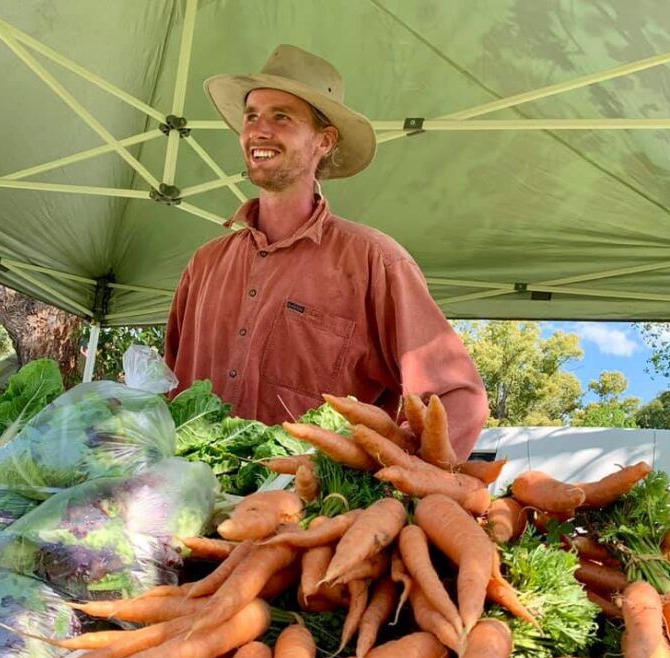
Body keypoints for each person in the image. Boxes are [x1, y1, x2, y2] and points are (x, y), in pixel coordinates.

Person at [165, 45, 488, 459]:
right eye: (251, 117)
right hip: (190, 509)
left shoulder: (374, 262)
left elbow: (457, 398)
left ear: (324, 140)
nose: (259, 130)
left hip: (314, 512)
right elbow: (167, 391)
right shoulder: (204, 266)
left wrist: (399, 483)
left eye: (281, 116)